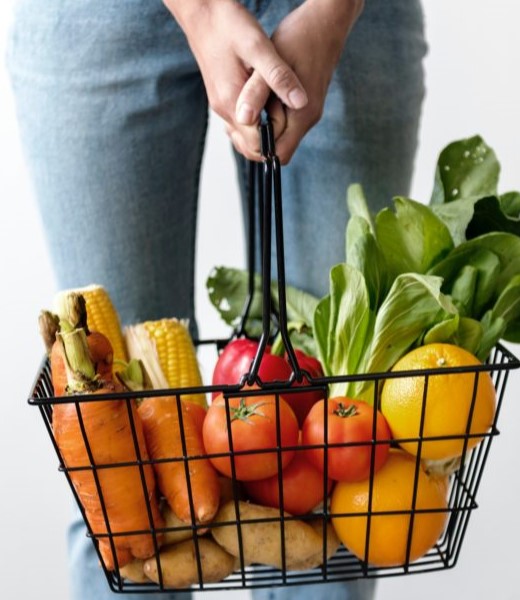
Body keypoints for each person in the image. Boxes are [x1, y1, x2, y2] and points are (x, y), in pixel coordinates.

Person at [7, 0, 427, 598]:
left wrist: (336, 11)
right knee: (121, 494)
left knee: (333, 507)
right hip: (101, 18)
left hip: (343, 17)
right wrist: (202, 10)